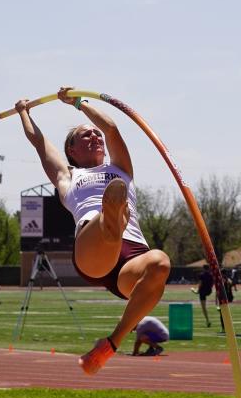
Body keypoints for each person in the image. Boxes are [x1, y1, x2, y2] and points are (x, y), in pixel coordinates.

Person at [14, 87, 171, 375]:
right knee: (108, 215)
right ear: (71, 151)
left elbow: (110, 128)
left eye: (94, 134)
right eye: (85, 135)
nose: (94, 136)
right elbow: (39, 142)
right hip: (93, 249)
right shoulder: (67, 176)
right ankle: (110, 212)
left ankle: (111, 343)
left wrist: (78, 102)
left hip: (131, 256)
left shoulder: (121, 168)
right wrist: (24, 112)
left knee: (160, 262)